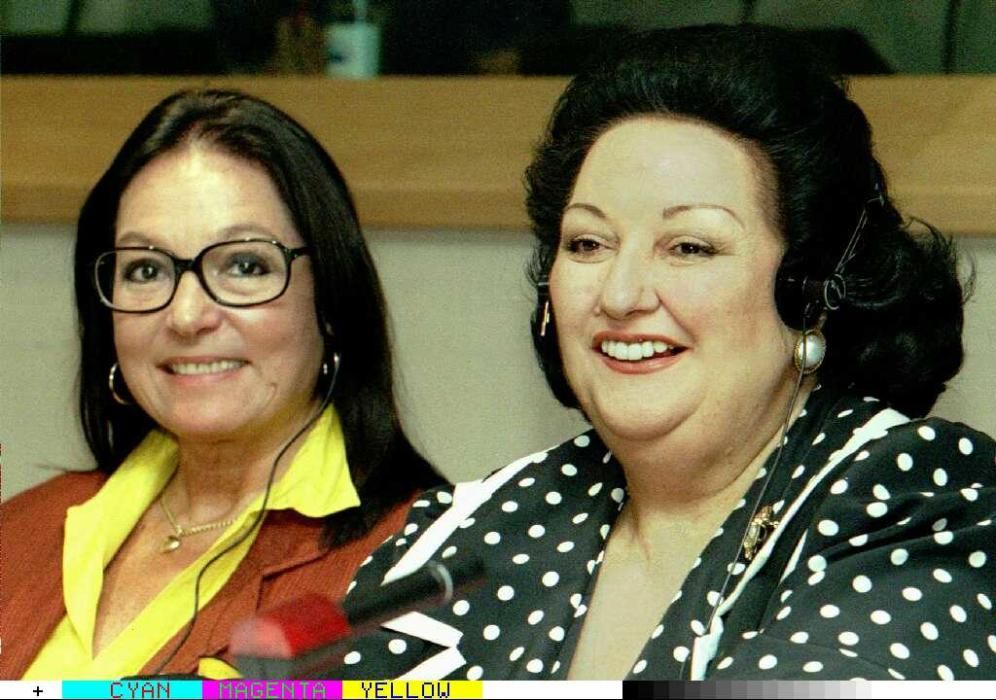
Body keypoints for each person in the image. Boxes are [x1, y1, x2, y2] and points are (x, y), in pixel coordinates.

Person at [335, 25, 994, 681]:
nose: (620, 295)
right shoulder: (473, 526)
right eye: (588, 244)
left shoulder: (923, 498)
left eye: (689, 247)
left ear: (810, 288)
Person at [0, 89, 443, 679]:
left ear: (332, 298)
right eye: (146, 270)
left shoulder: (418, 563)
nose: (186, 316)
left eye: (243, 266)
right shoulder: (25, 527)